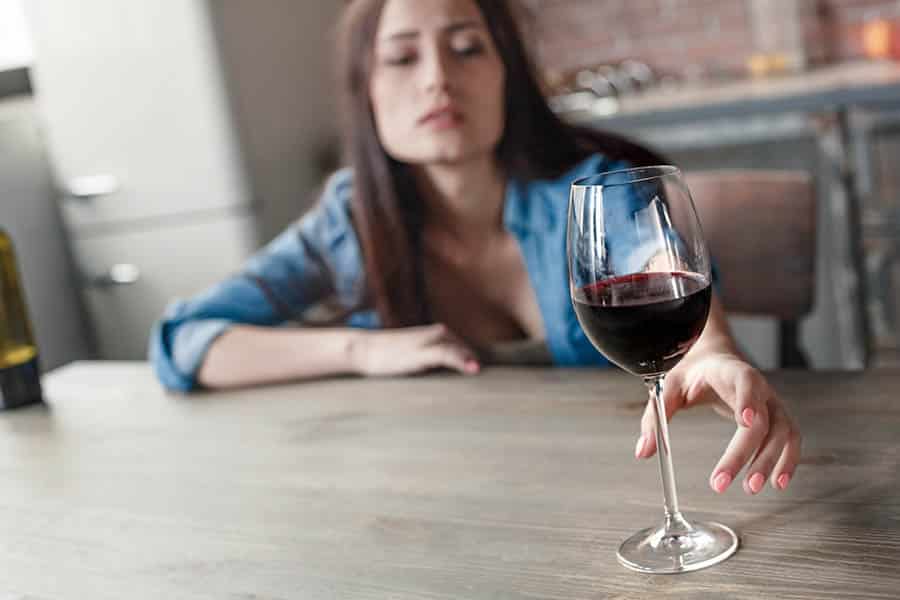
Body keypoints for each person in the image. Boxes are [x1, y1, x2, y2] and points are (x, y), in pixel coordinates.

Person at [150, 0, 800, 496]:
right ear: (366, 90)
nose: (437, 79)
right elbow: (184, 340)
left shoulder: (597, 191)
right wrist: (361, 350)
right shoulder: (349, 221)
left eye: (466, 49)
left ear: (507, 76)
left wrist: (714, 354)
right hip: (450, 500)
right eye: (402, 58)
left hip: (616, 499)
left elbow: (669, 275)